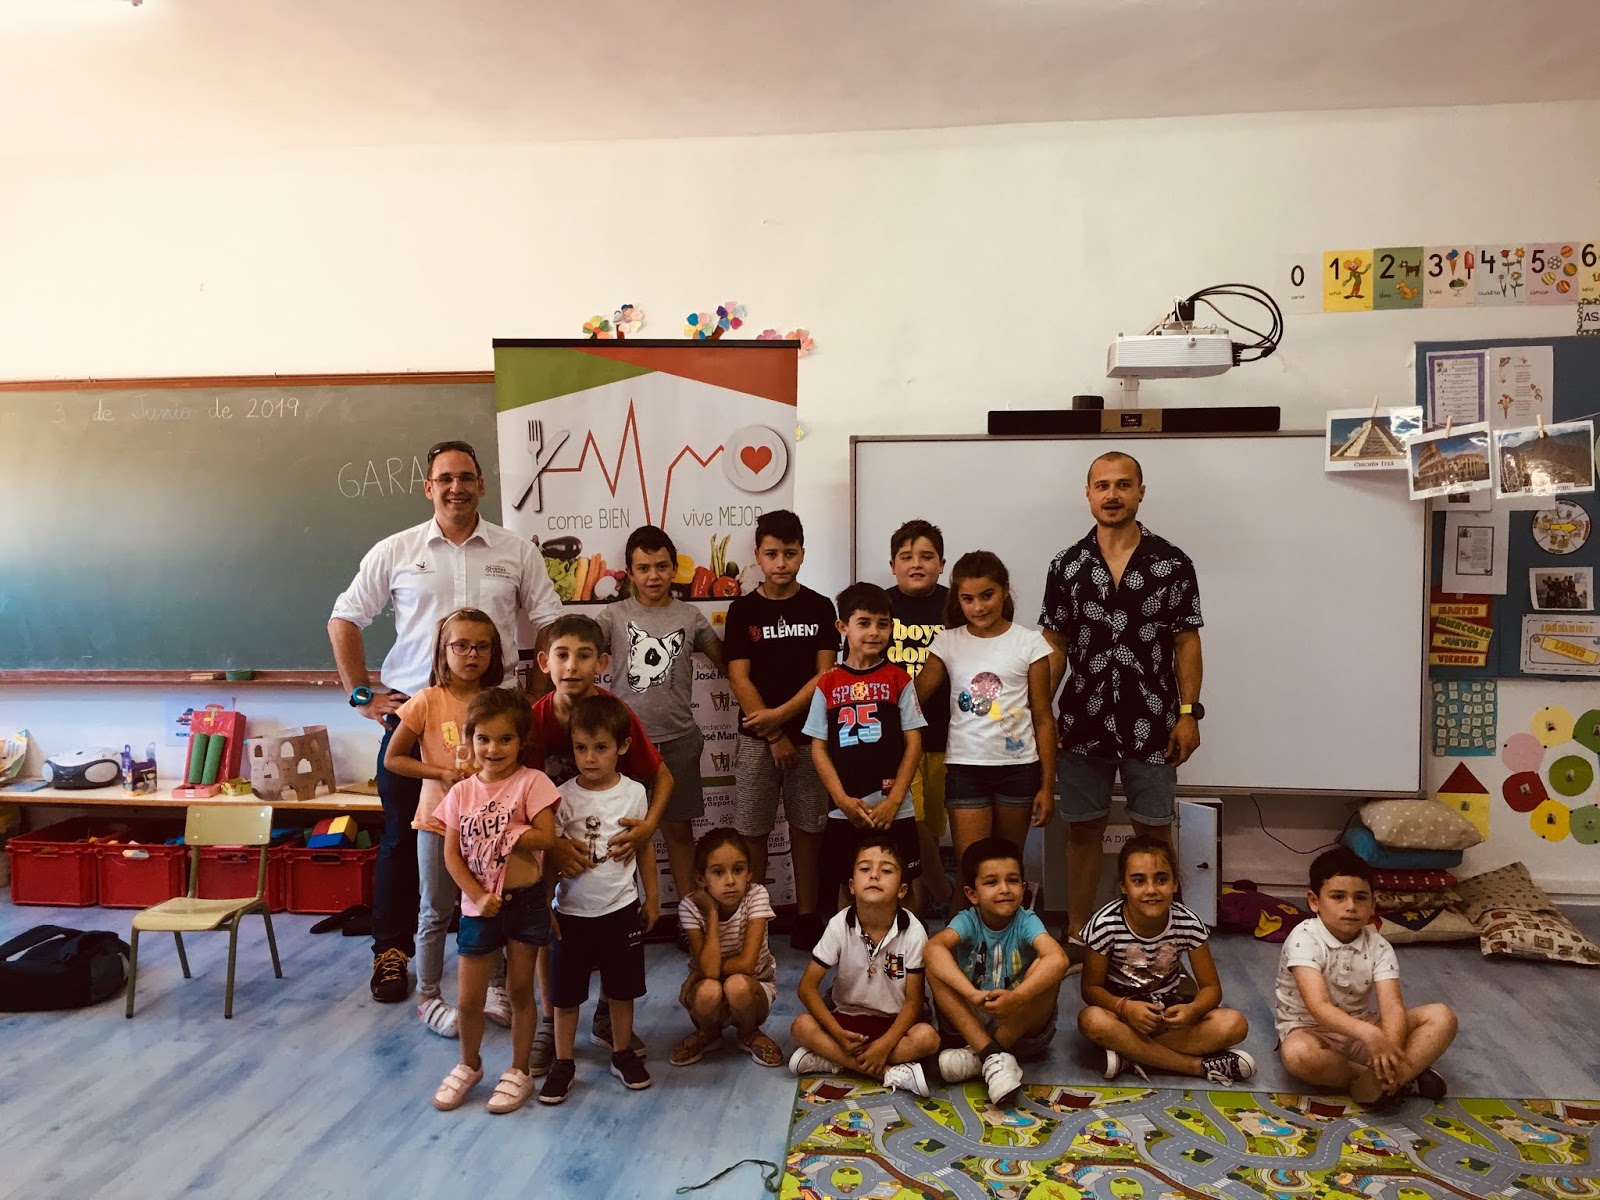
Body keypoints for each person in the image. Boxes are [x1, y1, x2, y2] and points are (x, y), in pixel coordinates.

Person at [329, 439, 563, 1004]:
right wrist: (362, 695)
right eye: (445, 478)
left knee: (500, 836)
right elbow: (344, 618)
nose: (456, 487)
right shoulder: (397, 550)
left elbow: (551, 620)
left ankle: (496, 957)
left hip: (496, 729)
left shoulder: (516, 551)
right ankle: (393, 953)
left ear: (482, 485)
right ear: (429, 487)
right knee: (403, 840)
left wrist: (536, 692)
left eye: (466, 477)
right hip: (419, 717)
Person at [1039, 451, 1204, 962]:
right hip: (1080, 722)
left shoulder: (1172, 563)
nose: (1112, 494)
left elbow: (1186, 642)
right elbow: (1054, 645)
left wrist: (1189, 713)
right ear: (1088, 494)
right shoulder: (1066, 566)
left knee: (1154, 833)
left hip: (1154, 723)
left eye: (1123, 485)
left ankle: (1162, 940)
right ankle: (1079, 935)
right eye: (1102, 485)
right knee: (1082, 830)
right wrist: (1040, 715)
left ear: (1140, 492)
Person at [524, 613, 673, 1072]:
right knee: (551, 933)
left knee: (613, 937)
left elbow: (662, 777)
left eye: (584, 655)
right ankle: (549, 1020)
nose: (572, 666)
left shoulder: (614, 713)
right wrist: (550, 846)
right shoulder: (534, 720)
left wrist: (647, 827)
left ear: (602, 663)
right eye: (562, 655)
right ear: (545, 663)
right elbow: (518, 792)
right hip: (548, 845)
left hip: (607, 862)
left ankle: (608, 1017)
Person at [430, 688, 559, 1115]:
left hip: (525, 904)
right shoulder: (461, 793)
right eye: (483, 738)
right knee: (470, 999)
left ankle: (519, 1069)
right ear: (470, 740)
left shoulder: (532, 782)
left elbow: (548, 837)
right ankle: (469, 1064)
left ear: (522, 741)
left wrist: (514, 833)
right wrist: (477, 896)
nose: (493, 748)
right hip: (478, 908)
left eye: (505, 739)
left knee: (521, 991)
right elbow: (451, 856)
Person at [383, 607, 507, 1038]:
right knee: (435, 911)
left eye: (482, 647)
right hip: (437, 824)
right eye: (461, 646)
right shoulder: (426, 701)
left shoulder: (497, 702)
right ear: (443, 650)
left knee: (489, 905)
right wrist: (439, 773)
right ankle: (428, 997)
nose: (472, 655)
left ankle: (495, 987)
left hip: (488, 828)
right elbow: (393, 759)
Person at [596, 524, 724, 936]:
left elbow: (727, 662)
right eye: (644, 568)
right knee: (621, 836)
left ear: (674, 569)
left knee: (679, 833)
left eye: (662, 566)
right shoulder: (613, 616)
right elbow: (580, 652)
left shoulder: (690, 616)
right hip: (624, 746)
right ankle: (618, 922)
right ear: (630, 573)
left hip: (679, 742)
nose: (654, 576)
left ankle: (690, 925)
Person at [722, 509, 838, 950]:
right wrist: (772, 733)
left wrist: (781, 718)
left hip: (810, 738)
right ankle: (755, 918)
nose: (781, 562)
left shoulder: (820, 607)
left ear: (802, 554)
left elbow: (824, 676)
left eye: (790, 553)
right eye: (772, 554)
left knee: (808, 829)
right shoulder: (742, 610)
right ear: (758, 556)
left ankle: (807, 916)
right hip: (757, 740)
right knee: (753, 832)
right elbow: (738, 678)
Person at [540, 694, 659, 1104]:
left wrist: (653, 898)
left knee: (622, 990)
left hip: (620, 908)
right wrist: (546, 903)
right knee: (566, 994)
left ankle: (621, 1052)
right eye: (581, 748)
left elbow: (644, 846)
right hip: (570, 912)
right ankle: (563, 1061)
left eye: (600, 747)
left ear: (623, 746)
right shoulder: (561, 796)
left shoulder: (634, 793)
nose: (589, 758)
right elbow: (549, 854)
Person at [915, 551, 1054, 900]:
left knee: (1007, 869)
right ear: (957, 599)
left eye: (987, 595)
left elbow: (1042, 717)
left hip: (1019, 769)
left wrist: (1047, 785)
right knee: (971, 870)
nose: (978, 607)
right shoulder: (948, 642)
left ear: (1004, 591)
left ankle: (1010, 934)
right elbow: (914, 697)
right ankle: (962, 933)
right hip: (966, 768)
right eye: (968, 599)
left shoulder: (1030, 643)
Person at [1275, 846, 1457, 1104]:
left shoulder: (1379, 945)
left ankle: (1387, 1078)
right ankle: (1379, 1079)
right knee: (1298, 1054)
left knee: (1442, 1016)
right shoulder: (1304, 938)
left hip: (1363, 1030)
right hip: (1311, 1032)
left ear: (1373, 904)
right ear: (1314, 901)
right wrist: (1370, 1035)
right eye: (1338, 897)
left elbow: (1392, 1008)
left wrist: (1388, 1050)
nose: (1350, 906)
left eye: (1360, 898)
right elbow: (1318, 1006)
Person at [1078, 836, 1255, 1083]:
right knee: (1092, 1020)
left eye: (1161, 879)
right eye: (1138, 880)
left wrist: (1193, 1010)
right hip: (1120, 1017)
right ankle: (1195, 1067)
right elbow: (1090, 989)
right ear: (1123, 886)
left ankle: (1130, 1053)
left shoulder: (1188, 922)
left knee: (1234, 1024)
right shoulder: (1104, 924)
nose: (1151, 890)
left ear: (1174, 884)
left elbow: (1211, 989)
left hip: (1167, 1017)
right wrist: (1124, 1008)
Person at [803, 582, 926, 910]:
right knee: (848, 884)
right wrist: (841, 800)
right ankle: (850, 945)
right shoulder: (827, 683)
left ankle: (909, 942)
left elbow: (913, 743)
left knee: (904, 883)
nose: (874, 632)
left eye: (882, 624)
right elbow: (818, 748)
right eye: (864, 623)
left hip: (894, 807)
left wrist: (894, 799)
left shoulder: (899, 679)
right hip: (846, 808)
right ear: (843, 627)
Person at [788, 836, 941, 1095]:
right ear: (851, 886)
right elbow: (806, 988)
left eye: (886, 870)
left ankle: (833, 1060)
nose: (874, 876)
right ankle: (886, 1072)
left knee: (928, 1039)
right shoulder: (839, 924)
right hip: (846, 1022)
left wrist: (885, 1045)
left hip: (893, 1025)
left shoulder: (914, 931)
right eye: (864, 868)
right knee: (801, 1026)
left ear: (902, 890)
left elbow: (914, 1002)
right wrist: (837, 1034)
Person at [922, 837, 1068, 1107]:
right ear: (972, 894)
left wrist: (1017, 998)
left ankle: (981, 1055)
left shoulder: (1026, 920)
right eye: (991, 882)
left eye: (1012, 880)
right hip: (970, 1023)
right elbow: (933, 949)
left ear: (1023, 888)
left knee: (1047, 966)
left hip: (1020, 1027)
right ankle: (990, 1055)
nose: (1004, 889)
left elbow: (1058, 959)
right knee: (936, 964)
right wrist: (971, 994)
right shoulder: (968, 919)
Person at [885, 519, 956, 913]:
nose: (916, 564)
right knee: (908, 822)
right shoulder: (879, 607)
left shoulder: (955, 607)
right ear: (892, 564)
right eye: (906, 556)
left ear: (942, 564)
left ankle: (927, 901)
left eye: (927, 556)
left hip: (947, 736)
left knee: (932, 826)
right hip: (895, 740)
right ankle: (937, 896)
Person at [670, 828, 783, 1069]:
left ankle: (749, 1032)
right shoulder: (690, 907)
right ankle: (709, 1034)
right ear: (701, 879)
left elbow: (746, 965)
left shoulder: (757, 895)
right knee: (708, 992)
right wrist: (711, 913)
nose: (730, 880)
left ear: (749, 873)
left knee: (737, 985)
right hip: (710, 986)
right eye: (718, 872)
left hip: (754, 987)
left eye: (738, 870)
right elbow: (710, 973)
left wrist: (697, 973)